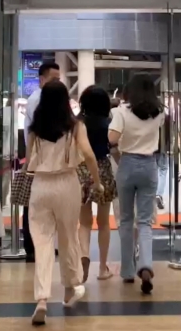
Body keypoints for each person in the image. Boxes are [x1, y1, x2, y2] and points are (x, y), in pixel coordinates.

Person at [26, 81, 103, 325]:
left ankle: (41, 300)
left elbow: (29, 159)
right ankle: (70, 288)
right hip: (67, 183)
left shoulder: (35, 128)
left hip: (41, 185)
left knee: (42, 242)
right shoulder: (75, 126)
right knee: (69, 236)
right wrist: (97, 181)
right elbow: (89, 155)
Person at [110, 74, 166, 294]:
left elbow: (112, 139)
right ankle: (146, 265)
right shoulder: (160, 113)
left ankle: (127, 270)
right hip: (149, 165)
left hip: (127, 164)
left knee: (125, 220)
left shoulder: (121, 112)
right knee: (145, 221)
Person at [76, 86, 117, 282]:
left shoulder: (76, 123)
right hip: (103, 169)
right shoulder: (108, 123)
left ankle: (84, 256)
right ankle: (102, 268)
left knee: (84, 222)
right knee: (103, 222)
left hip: (81, 170)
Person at [22, 61, 61, 263]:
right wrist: (30, 163)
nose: (58, 83)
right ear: (41, 80)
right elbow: (34, 136)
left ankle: (38, 245)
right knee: (35, 206)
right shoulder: (38, 101)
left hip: (45, 161)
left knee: (40, 204)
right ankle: (33, 246)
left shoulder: (47, 100)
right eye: (54, 79)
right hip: (39, 161)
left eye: (59, 79)